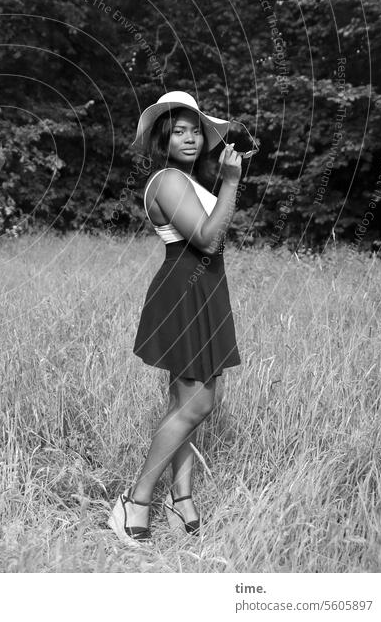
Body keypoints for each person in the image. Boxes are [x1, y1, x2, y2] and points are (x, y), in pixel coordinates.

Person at [108, 90, 256, 544]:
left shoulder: (189, 180)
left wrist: (227, 174)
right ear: (162, 138)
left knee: (184, 405)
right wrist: (231, 182)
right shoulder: (169, 181)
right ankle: (136, 500)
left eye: (196, 130)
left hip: (204, 290)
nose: (191, 138)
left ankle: (182, 498)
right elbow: (209, 242)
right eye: (179, 131)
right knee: (199, 404)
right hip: (185, 291)